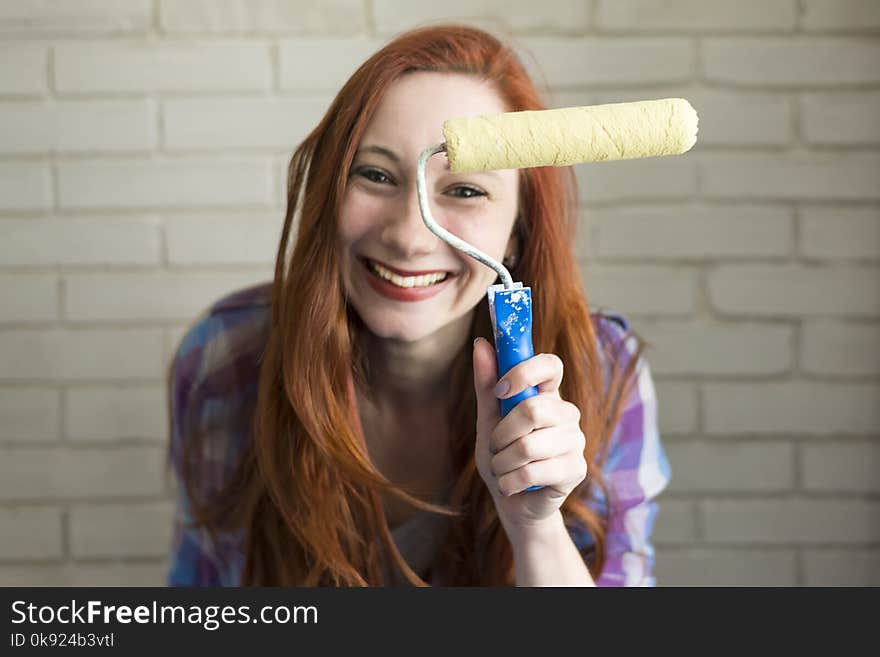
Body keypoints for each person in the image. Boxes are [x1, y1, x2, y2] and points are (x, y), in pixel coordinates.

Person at [166, 24, 671, 587]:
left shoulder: (602, 370)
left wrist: (534, 526)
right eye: (376, 175)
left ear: (516, 233)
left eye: (465, 190)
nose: (410, 236)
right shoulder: (225, 361)